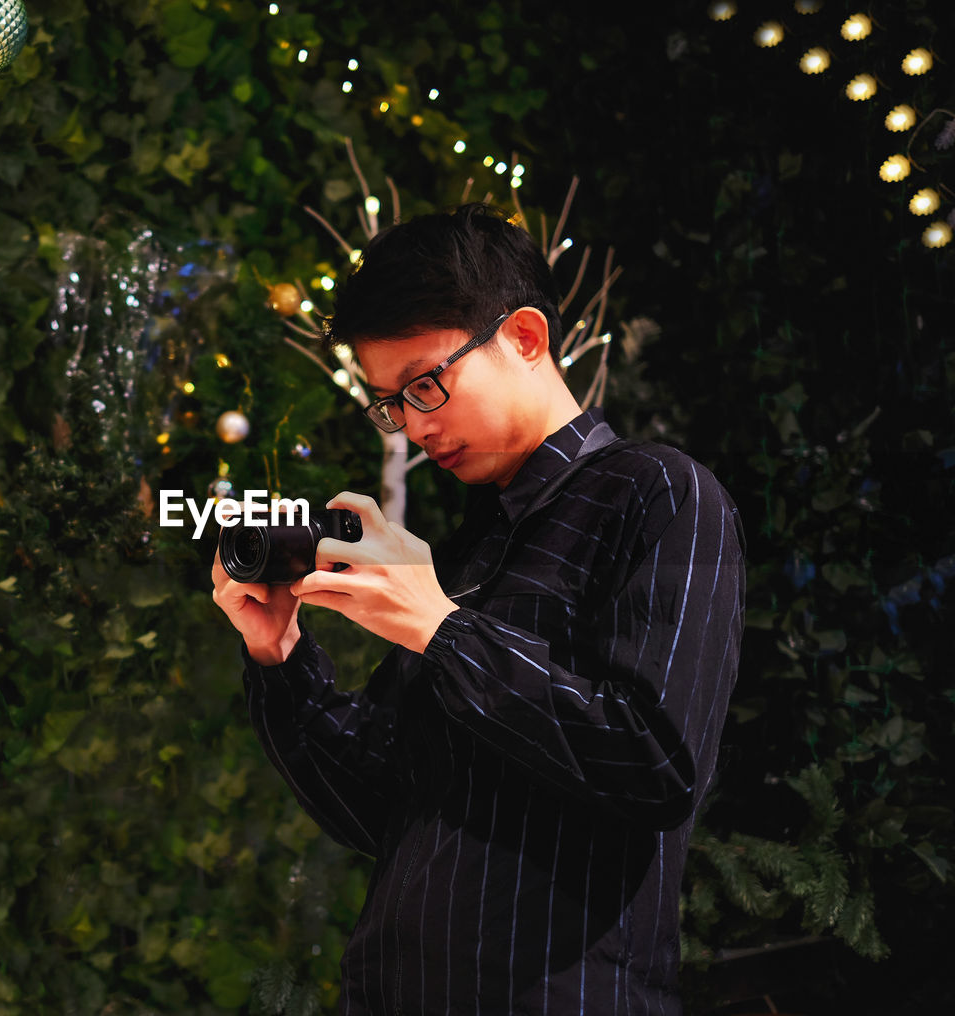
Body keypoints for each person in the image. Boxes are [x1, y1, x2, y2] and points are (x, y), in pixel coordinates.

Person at [211, 204, 745, 1015]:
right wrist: (279, 656)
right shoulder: (463, 550)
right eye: (391, 402)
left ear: (525, 336)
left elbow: (657, 766)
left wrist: (444, 629)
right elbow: (383, 811)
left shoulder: (659, 491)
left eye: (427, 383)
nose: (417, 426)